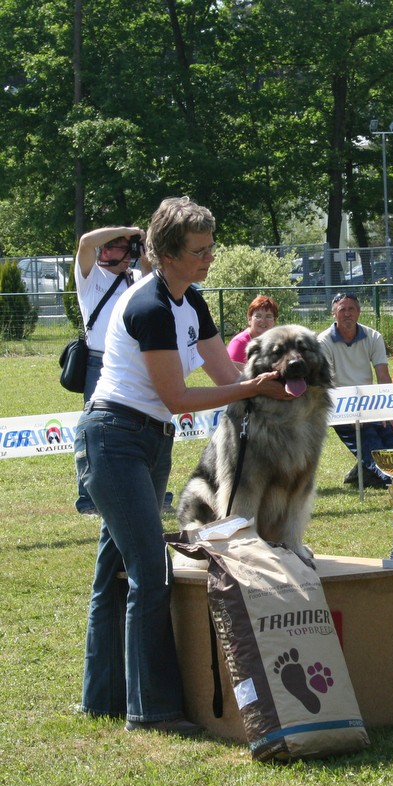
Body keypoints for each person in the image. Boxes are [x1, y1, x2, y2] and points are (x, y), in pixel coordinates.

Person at [74, 196, 295, 736]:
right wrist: (251, 387)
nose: (208, 259)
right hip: (113, 440)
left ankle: (100, 699)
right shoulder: (148, 306)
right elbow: (176, 395)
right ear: (167, 254)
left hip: (148, 445)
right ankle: (151, 711)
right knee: (152, 573)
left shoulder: (191, 302)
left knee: (114, 574)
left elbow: (225, 372)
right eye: (198, 251)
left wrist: (273, 378)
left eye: (210, 248)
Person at [73, 226, 152, 515]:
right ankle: (88, 498)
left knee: (141, 423)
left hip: (133, 361)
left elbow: (156, 287)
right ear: (104, 250)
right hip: (99, 360)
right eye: (120, 246)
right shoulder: (91, 276)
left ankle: (146, 489)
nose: (127, 252)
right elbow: (85, 242)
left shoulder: (136, 279)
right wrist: (129, 230)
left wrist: (144, 261)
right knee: (94, 431)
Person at [318, 291, 393, 488]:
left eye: (351, 309)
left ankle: (390, 475)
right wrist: (351, 413)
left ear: (359, 313)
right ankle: (390, 481)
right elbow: (326, 383)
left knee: (390, 436)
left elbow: (383, 376)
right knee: (370, 439)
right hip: (341, 407)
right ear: (334, 314)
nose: (347, 313)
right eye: (342, 310)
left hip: (372, 404)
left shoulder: (374, 336)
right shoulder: (322, 342)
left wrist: (391, 413)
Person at [227, 295, 278, 363]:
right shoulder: (239, 343)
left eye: (268, 316)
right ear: (249, 319)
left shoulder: (277, 342)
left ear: (274, 320)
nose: (263, 320)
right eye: (258, 316)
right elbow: (230, 372)